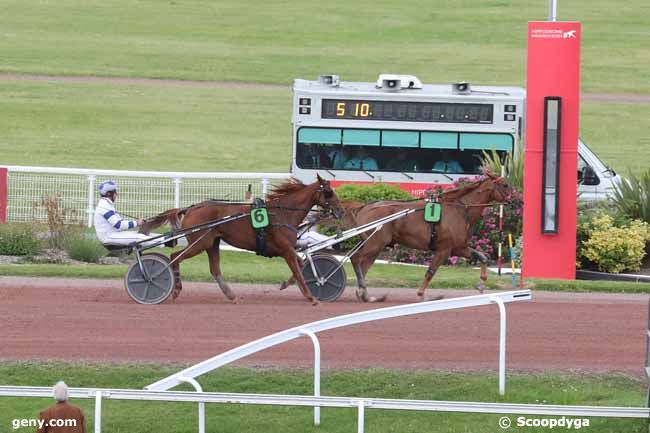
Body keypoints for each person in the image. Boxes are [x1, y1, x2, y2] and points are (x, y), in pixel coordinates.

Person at [94, 180, 152, 247]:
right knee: (139, 237)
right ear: (109, 194)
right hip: (108, 236)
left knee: (143, 235)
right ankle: (164, 242)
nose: (117, 194)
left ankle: (164, 240)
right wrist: (137, 223)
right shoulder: (104, 206)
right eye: (115, 192)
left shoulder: (107, 204)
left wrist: (137, 222)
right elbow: (118, 225)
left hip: (114, 234)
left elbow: (121, 222)